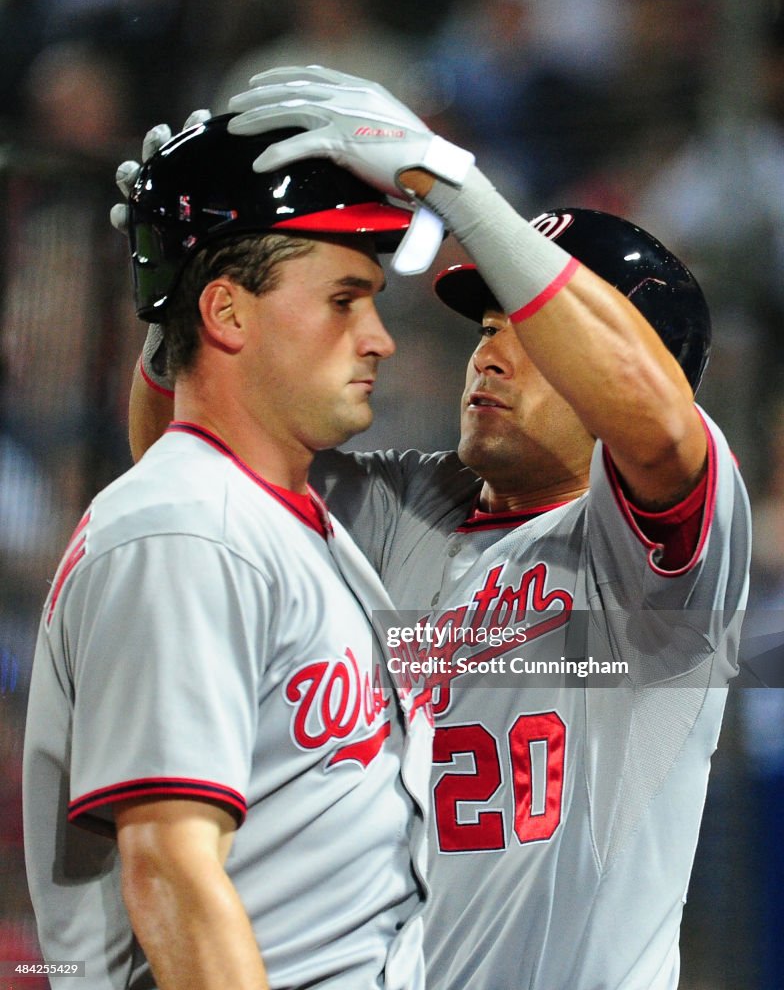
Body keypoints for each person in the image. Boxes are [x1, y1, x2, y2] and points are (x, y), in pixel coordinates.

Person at [126, 67, 751, 990]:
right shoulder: (398, 508)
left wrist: (456, 186)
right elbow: (183, 460)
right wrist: (185, 295)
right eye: (487, 326)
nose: (492, 353)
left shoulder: (663, 561)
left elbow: (656, 428)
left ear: (618, 366)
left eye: (533, 336)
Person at [22, 112, 433, 990]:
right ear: (226, 311)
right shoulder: (183, 531)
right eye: (342, 299)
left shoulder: (267, 521)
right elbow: (172, 869)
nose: (377, 338)